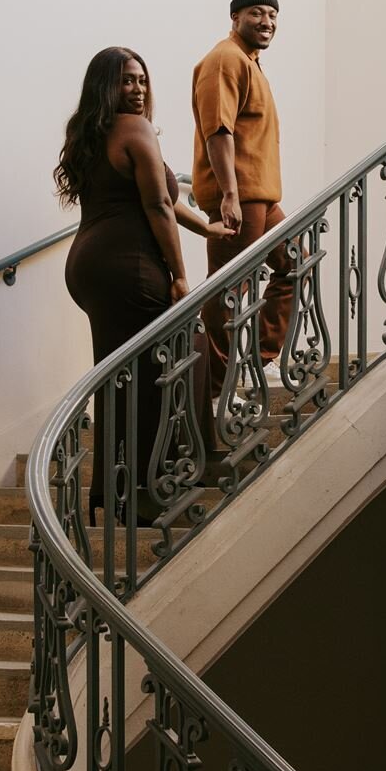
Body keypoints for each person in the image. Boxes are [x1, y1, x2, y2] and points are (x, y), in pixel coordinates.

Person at [56, 46, 231, 519]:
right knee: (187, 348)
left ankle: (117, 491)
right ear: (105, 87)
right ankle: (191, 465)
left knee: (122, 375)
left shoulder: (87, 133)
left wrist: (204, 226)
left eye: (142, 81)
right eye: (126, 81)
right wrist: (179, 276)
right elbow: (155, 206)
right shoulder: (136, 129)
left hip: (90, 267)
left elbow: (162, 201)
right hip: (129, 264)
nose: (137, 90)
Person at [191, 0, 294, 373]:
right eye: (256, 13)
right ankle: (216, 384)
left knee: (296, 261)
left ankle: (259, 359)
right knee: (229, 288)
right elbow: (218, 130)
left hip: (262, 196)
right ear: (235, 18)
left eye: (272, 15)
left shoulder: (249, 61)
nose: (267, 22)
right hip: (240, 195)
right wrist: (229, 196)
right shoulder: (224, 58)